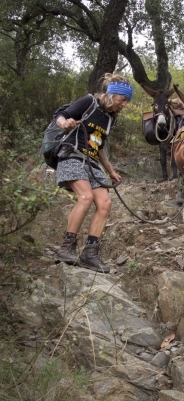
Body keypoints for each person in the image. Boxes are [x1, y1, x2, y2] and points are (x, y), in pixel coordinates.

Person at [55, 73, 132, 273]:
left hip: (92, 163)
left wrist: (112, 172)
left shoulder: (110, 120)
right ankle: (66, 247)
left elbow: (100, 146)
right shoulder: (89, 102)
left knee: (105, 203)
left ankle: (90, 253)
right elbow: (61, 115)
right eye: (123, 100)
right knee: (86, 197)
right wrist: (64, 123)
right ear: (113, 94)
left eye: (127, 102)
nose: (124, 105)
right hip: (72, 154)